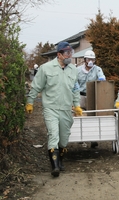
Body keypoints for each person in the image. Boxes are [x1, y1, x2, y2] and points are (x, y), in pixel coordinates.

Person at [25, 41, 82, 177]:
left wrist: (77, 105)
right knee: (53, 135)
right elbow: (36, 86)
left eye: (71, 52)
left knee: (63, 139)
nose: (70, 55)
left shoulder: (73, 70)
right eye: (67, 53)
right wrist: (30, 102)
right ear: (59, 54)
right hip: (50, 107)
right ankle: (54, 167)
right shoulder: (46, 68)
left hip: (66, 109)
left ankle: (60, 160)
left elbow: (75, 89)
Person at [77, 50, 106, 148]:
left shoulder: (97, 69)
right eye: (89, 59)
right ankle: (81, 137)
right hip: (80, 95)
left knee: (92, 115)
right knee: (80, 115)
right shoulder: (78, 70)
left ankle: (93, 139)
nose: (90, 61)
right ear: (85, 60)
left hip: (92, 95)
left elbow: (102, 77)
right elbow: (73, 82)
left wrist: (101, 79)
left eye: (92, 59)